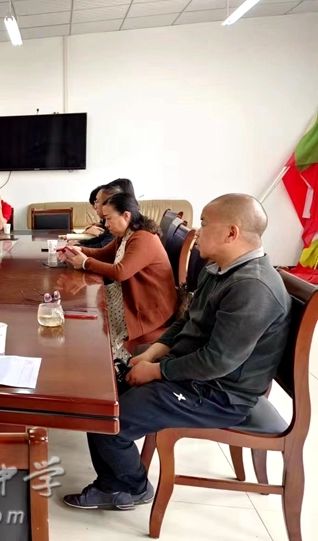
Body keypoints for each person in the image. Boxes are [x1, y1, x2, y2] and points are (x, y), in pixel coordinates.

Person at [62, 194, 291, 511]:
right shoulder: (219, 269)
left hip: (219, 394)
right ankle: (114, 481)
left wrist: (156, 371)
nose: (197, 232)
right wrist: (153, 353)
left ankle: (129, 487)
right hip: (191, 373)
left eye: (204, 224)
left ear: (232, 233)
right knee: (99, 396)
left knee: (109, 418)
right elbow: (187, 320)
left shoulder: (252, 288)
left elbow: (217, 362)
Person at [61, 193, 177, 361]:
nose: (106, 224)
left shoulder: (143, 238)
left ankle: (108, 366)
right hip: (131, 296)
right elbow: (103, 254)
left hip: (150, 307)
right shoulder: (126, 235)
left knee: (94, 324)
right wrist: (77, 250)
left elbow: (120, 272)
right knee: (88, 314)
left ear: (126, 215)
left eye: (109, 219)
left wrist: (85, 262)